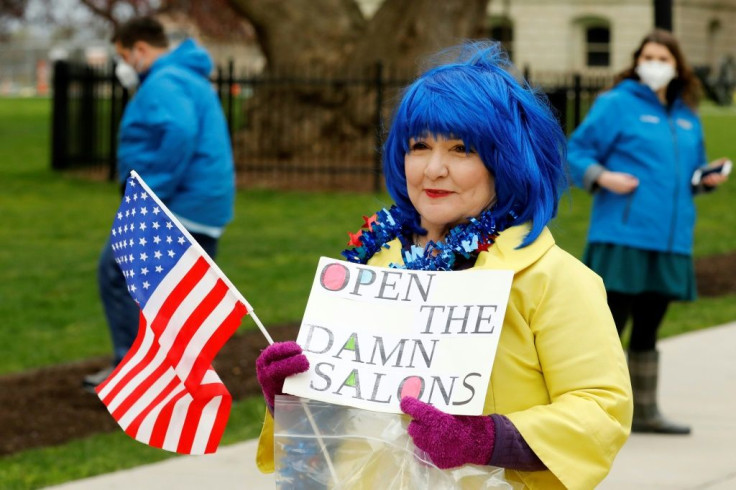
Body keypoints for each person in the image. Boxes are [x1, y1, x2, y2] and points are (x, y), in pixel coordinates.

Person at [254, 41, 632, 489]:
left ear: (506, 162)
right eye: (420, 146)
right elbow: (331, 439)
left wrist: (486, 439)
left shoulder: (553, 279)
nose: (433, 169)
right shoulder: (374, 264)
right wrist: (294, 398)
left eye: (460, 150)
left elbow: (601, 410)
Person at [567, 29, 730, 435]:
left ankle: (645, 412)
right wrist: (602, 176)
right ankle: (586, 414)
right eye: (648, 56)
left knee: (650, 325)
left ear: (677, 67)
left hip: (670, 238)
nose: (654, 64)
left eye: (663, 58)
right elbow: (575, 152)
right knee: (609, 326)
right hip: (623, 235)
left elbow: (687, 173)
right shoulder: (615, 104)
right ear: (637, 61)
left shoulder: (687, 116)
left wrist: (703, 179)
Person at [83, 16, 236, 391]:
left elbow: (179, 134)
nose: (122, 65)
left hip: (177, 201)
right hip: (204, 204)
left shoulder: (164, 81)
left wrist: (151, 195)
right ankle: (182, 376)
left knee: (116, 274)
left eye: (122, 55)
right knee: (182, 293)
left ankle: (133, 372)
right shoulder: (186, 76)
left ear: (139, 49)